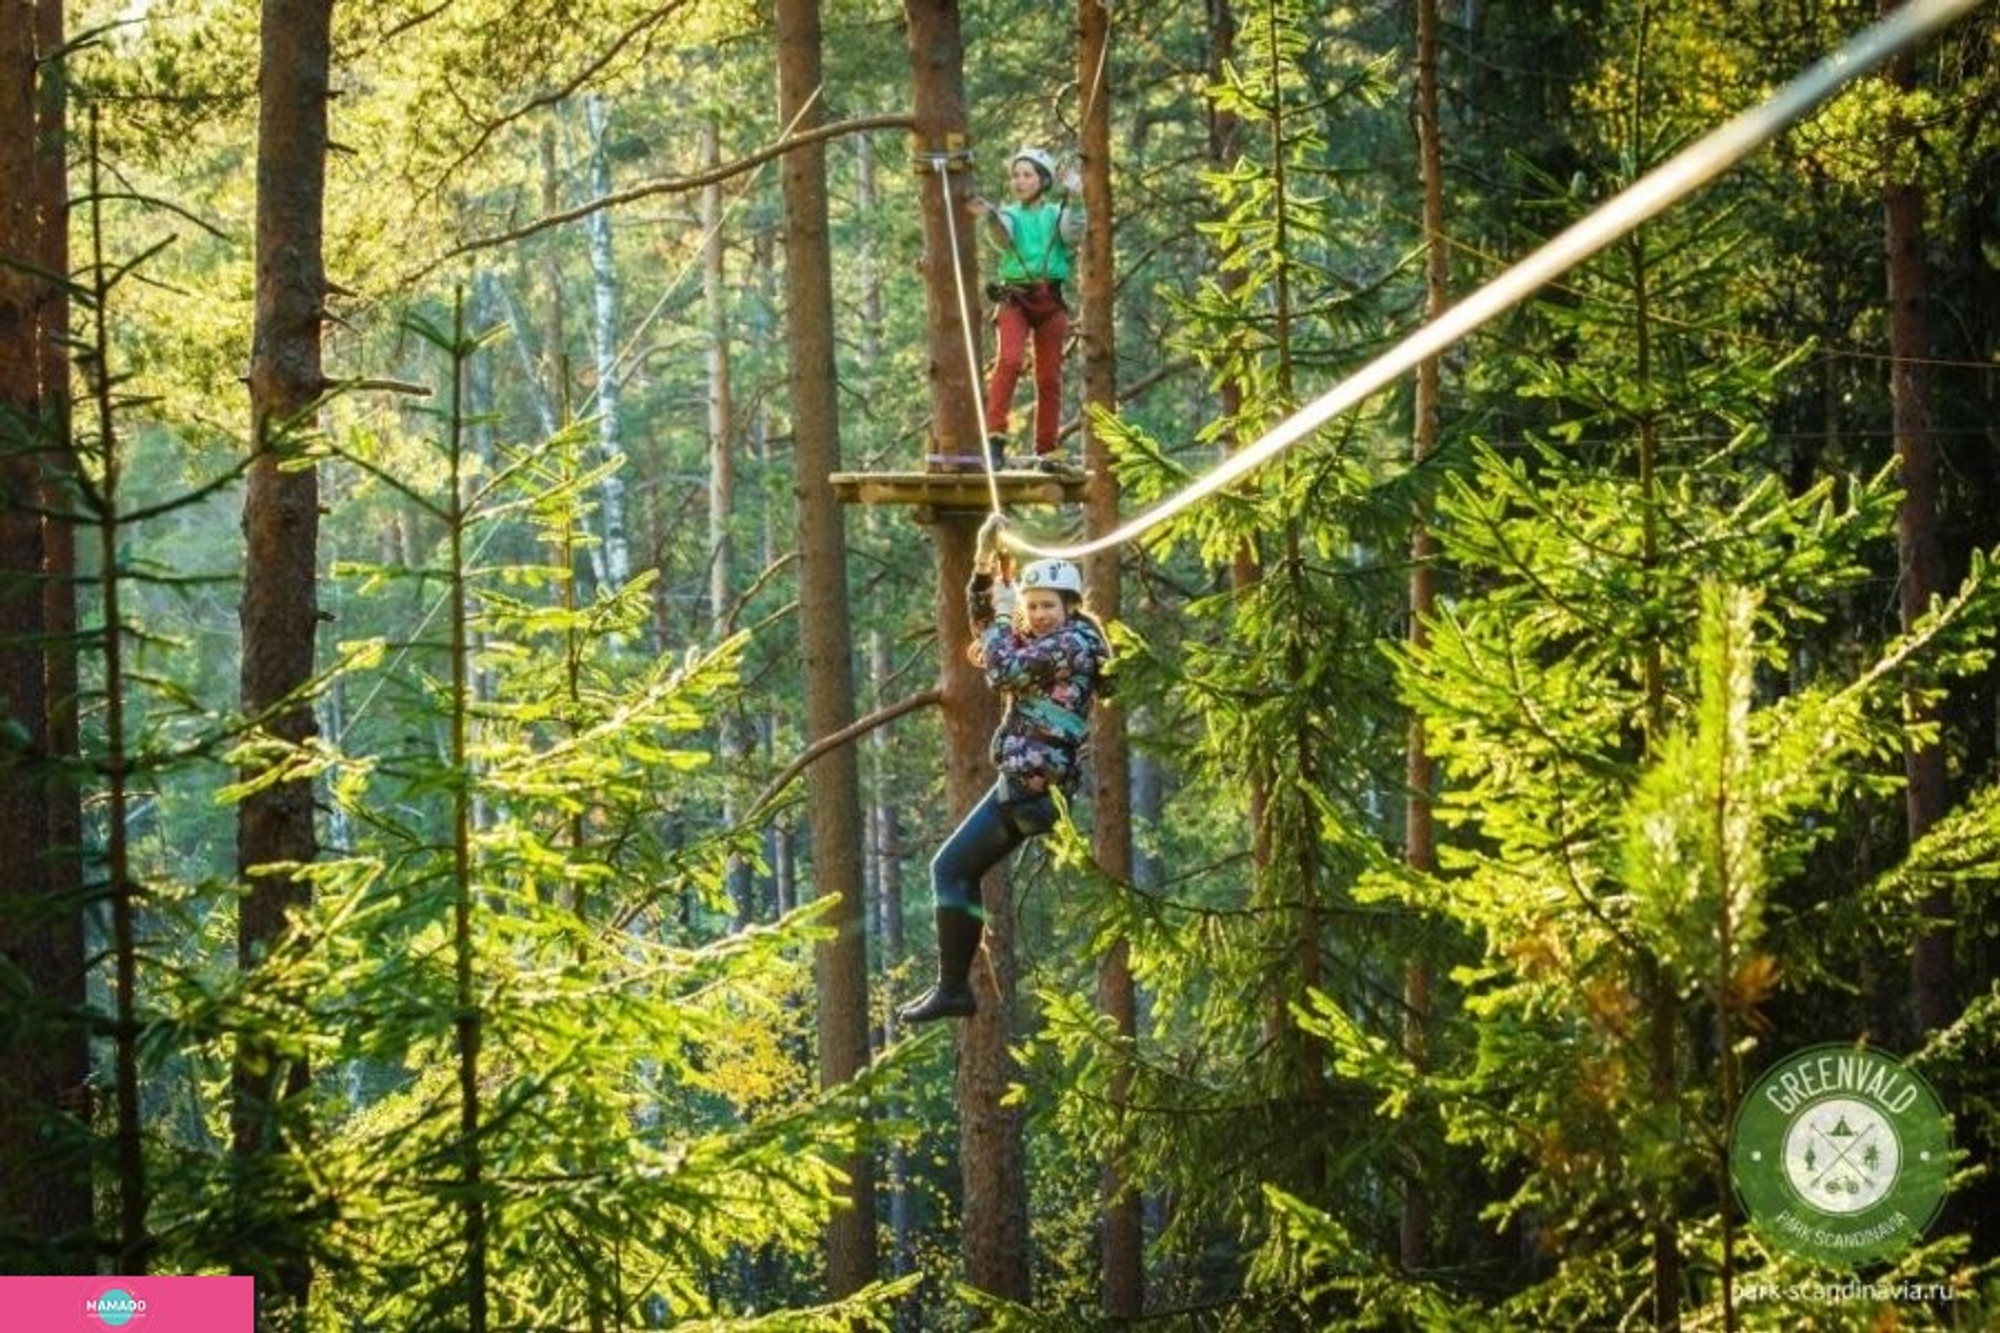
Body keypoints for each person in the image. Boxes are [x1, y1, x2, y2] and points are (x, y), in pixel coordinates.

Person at [898, 541, 1113, 1024]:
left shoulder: (1072, 645)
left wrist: (1000, 617)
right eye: (1031, 606)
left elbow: (1000, 669)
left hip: (1031, 788)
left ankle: (953, 990)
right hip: (1026, 788)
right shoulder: (1046, 641)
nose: (1037, 615)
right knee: (952, 869)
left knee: (949, 869)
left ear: (1070, 606)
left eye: (1047, 606)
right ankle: (952, 988)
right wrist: (981, 577)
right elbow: (989, 632)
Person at [971, 147, 1085, 474]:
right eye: (1016, 175)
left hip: (1050, 300)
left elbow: (1074, 232)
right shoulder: (1009, 214)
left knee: (1048, 376)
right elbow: (1003, 238)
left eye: (1027, 175)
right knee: (1008, 360)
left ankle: (1048, 449)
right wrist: (991, 215)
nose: (1019, 181)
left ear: (1043, 180)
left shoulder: (1056, 214)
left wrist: (1075, 195)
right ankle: (994, 441)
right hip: (1015, 300)